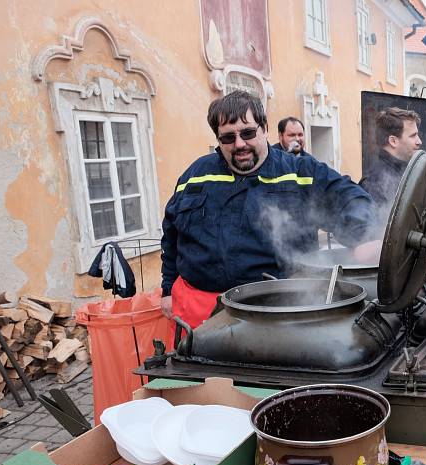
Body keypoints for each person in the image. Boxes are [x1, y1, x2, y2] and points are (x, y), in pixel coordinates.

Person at [160, 91, 376, 328]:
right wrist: (168, 289)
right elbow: (171, 233)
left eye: (248, 133)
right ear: (218, 140)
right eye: (228, 138)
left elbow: (349, 196)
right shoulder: (195, 175)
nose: (239, 144)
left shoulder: (299, 172)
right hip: (197, 313)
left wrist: (363, 235)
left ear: (264, 128)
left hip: (276, 313)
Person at [359, 107, 422, 220]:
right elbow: (372, 234)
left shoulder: (405, 172)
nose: (419, 142)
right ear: (393, 141)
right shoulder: (373, 184)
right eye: (413, 136)